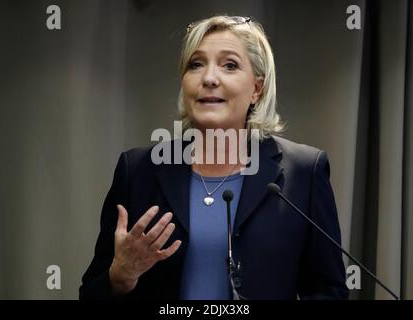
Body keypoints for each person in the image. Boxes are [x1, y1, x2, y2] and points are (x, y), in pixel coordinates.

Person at [79, 15, 349, 300]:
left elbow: (329, 292)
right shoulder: (138, 171)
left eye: (229, 65)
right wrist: (119, 278)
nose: (209, 78)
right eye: (196, 64)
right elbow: (91, 294)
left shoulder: (304, 172)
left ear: (257, 88)